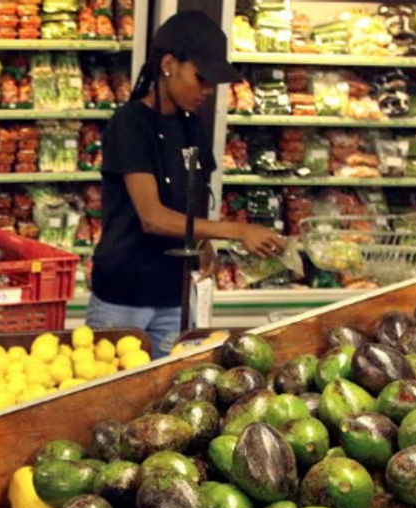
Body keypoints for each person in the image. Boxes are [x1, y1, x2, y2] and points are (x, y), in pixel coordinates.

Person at [87, 10, 288, 358]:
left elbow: (192, 199)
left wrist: (203, 240)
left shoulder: (191, 125)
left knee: (168, 391)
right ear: (168, 64)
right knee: (112, 390)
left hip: (173, 292)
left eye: (213, 82)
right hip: (124, 295)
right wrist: (238, 231)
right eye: (201, 78)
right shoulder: (130, 124)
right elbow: (153, 217)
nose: (207, 90)